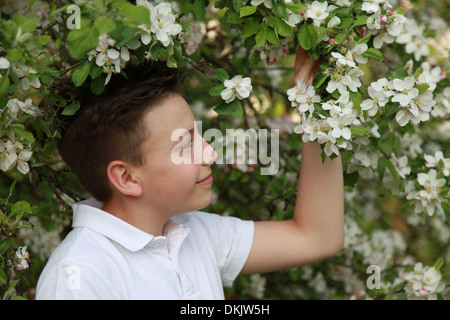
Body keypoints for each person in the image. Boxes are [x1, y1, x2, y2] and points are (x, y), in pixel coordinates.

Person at [35, 47, 344, 299]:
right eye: (185, 144)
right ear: (127, 178)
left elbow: (317, 236)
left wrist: (314, 107)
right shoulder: (80, 276)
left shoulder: (192, 234)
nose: (210, 152)